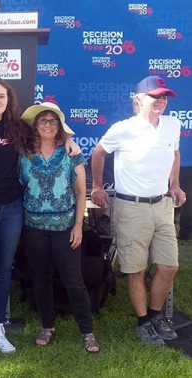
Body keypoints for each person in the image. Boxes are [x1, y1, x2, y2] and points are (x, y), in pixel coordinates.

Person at [0, 77, 80, 364]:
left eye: (2, 96)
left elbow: (52, 131)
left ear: (8, 100)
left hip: (12, 209)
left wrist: (69, 139)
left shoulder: (18, 128)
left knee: (3, 272)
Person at [90, 75, 186, 347]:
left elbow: (175, 154)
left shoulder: (172, 125)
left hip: (163, 206)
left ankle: (155, 316)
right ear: (139, 99)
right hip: (131, 207)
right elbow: (98, 153)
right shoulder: (123, 128)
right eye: (156, 96)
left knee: (169, 266)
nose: (162, 101)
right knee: (136, 270)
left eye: (164, 97)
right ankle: (143, 321)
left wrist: (175, 184)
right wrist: (97, 186)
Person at [18, 102, 100, 353]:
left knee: (73, 280)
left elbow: (80, 191)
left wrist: (78, 225)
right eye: (42, 120)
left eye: (52, 121)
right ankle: (47, 325)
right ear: (35, 125)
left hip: (65, 227)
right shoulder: (23, 153)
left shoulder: (71, 153)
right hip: (33, 227)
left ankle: (87, 331)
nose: (47, 125)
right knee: (41, 278)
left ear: (59, 126)